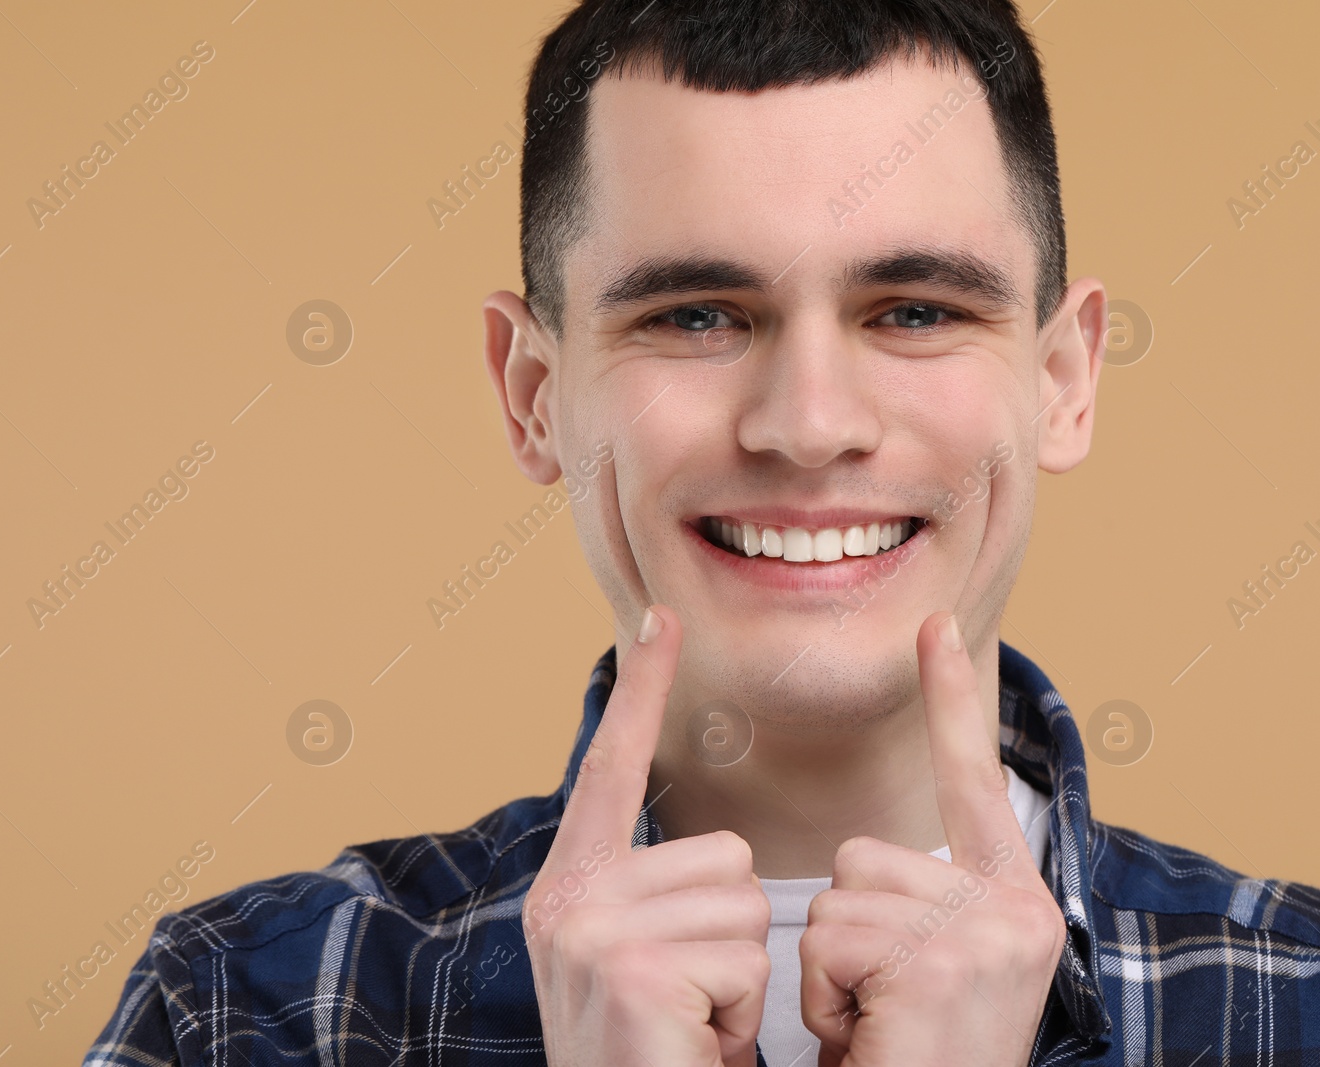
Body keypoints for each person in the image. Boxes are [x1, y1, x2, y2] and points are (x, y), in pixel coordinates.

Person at [84, 1, 1320, 1063]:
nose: (808, 423)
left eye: (912, 308)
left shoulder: (1295, 1000)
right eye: (693, 317)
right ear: (532, 394)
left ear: (1062, 379)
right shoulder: (249, 1012)